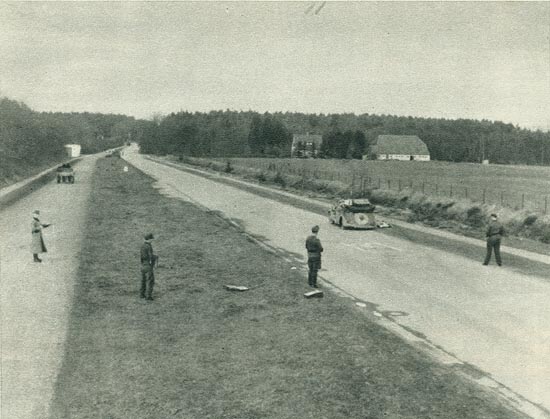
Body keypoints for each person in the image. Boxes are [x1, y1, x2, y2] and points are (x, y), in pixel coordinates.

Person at [140, 233, 158, 300]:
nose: (152, 240)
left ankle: (141, 294)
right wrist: (155, 258)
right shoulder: (149, 246)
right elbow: (150, 256)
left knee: (143, 281)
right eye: (152, 239)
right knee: (150, 281)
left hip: (143, 265)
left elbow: (141, 257)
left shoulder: (142, 246)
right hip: (148, 265)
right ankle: (148, 296)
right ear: (150, 239)